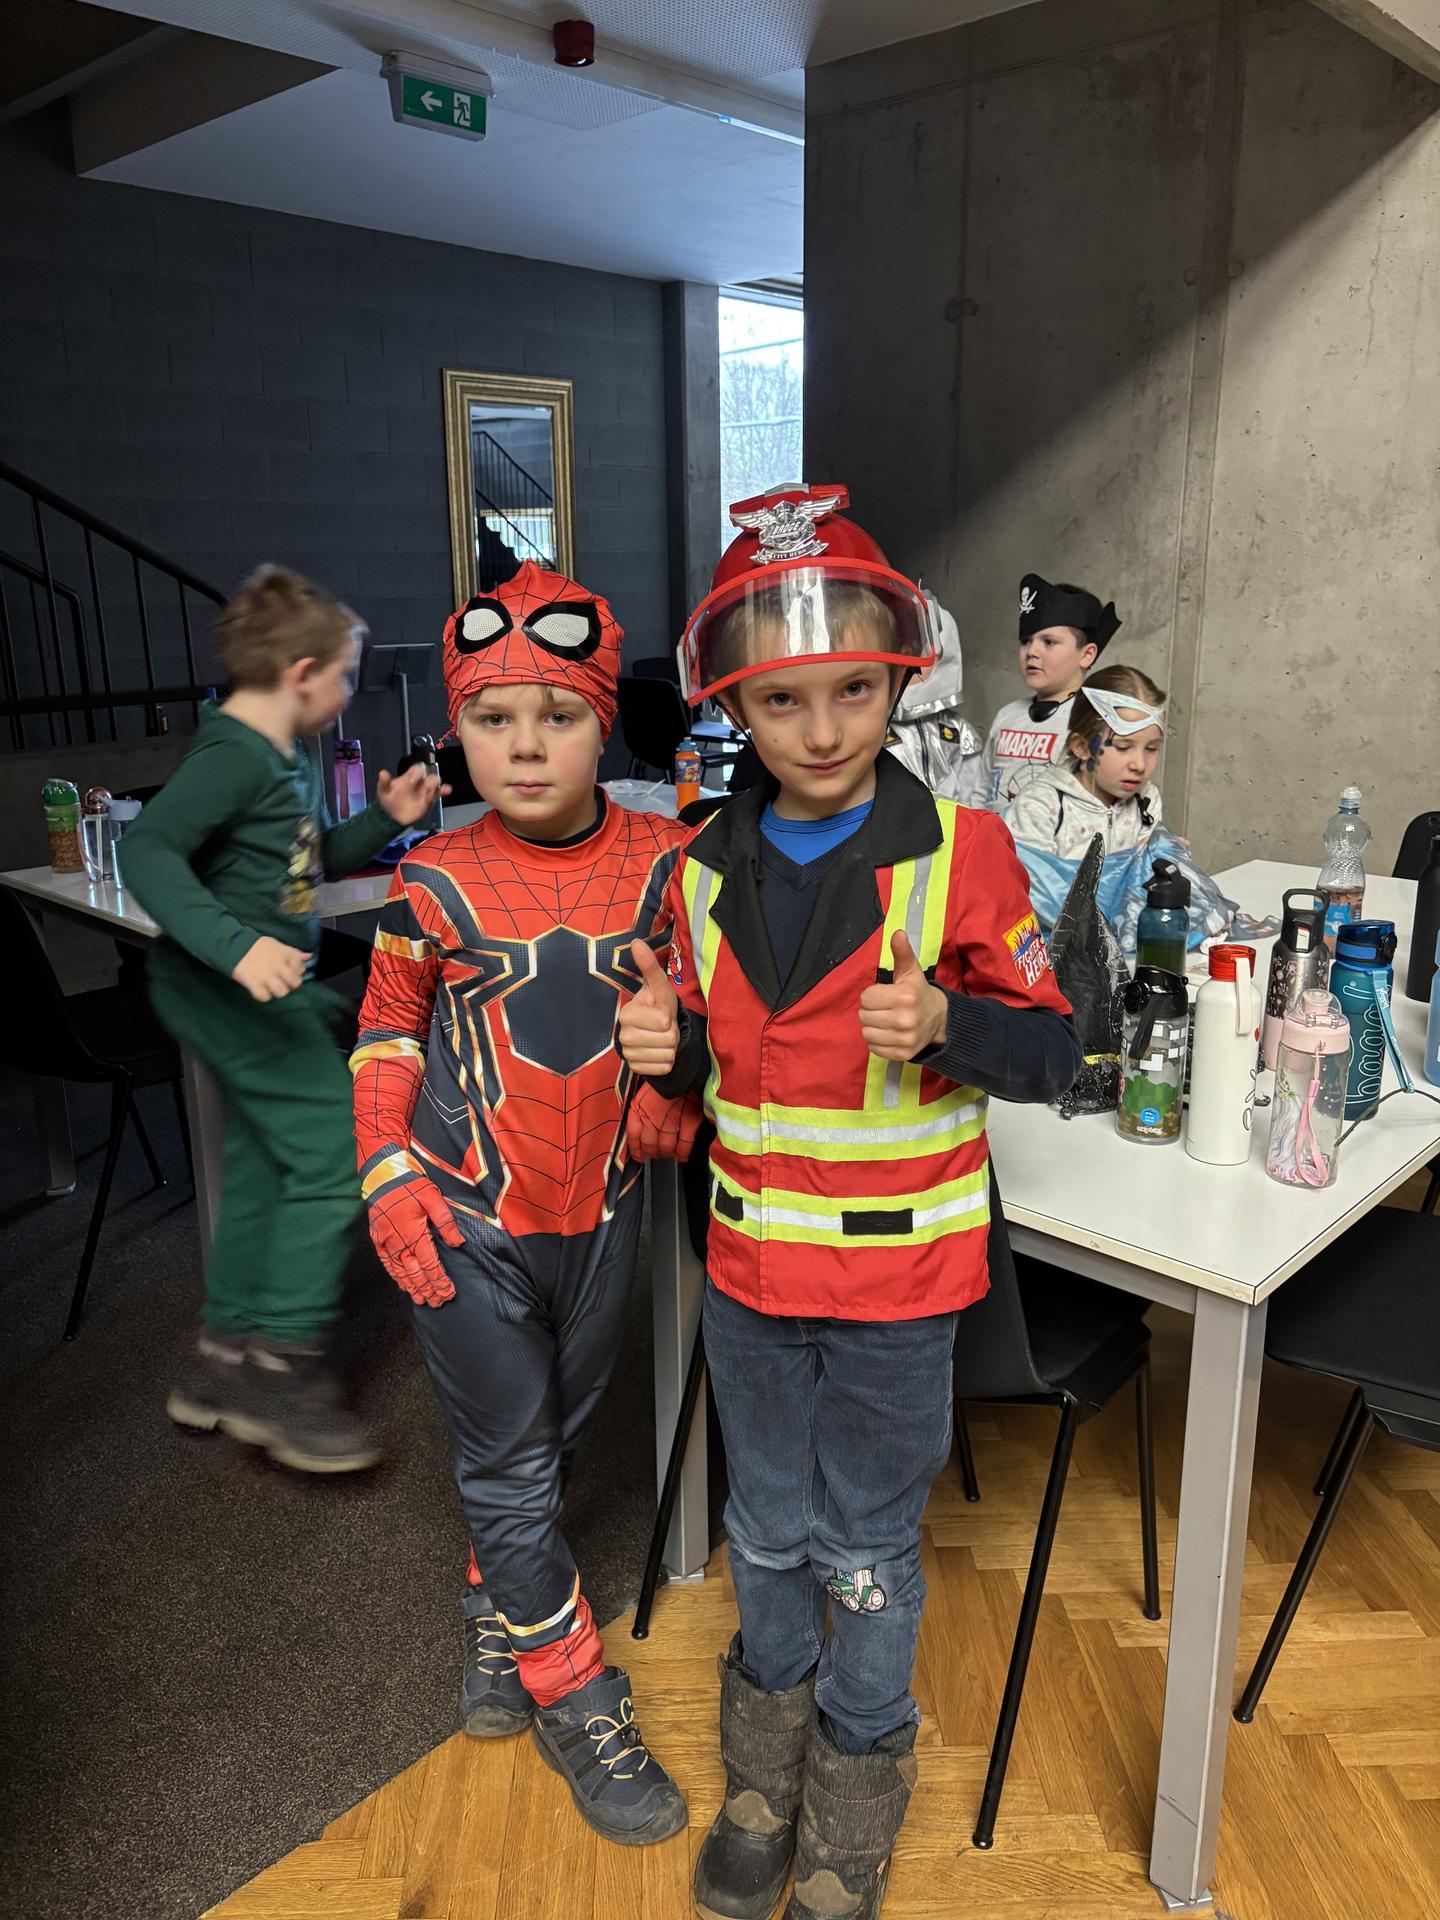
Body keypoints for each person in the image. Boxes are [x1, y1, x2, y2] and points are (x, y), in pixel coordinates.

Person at [617, 484, 1080, 1920]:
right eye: (783, 701)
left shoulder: (964, 854)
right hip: (752, 1284)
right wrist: (663, 1052)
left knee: (866, 1552)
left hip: (896, 1295)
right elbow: (714, 1067)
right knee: (765, 1533)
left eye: (854, 693)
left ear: (898, 681)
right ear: (733, 709)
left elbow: (1055, 1054)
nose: (822, 731)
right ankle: (763, 1779)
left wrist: (949, 1022)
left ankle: (856, 1789)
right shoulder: (696, 870)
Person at [350, 561, 693, 1848]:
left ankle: (496, 1608)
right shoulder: (428, 877)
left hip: (602, 1212)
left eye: (558, 715)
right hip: (464, 1216)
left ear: (606, 724)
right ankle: (575, 1691)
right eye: (493, 719)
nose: (526, 746)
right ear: (458, 731)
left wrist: (682, 1077)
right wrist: (385, 1172)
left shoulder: (673, 864)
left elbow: (708, 1007)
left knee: (550, 1435)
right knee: (506, 1460)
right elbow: (387, 1033)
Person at [122, 565, 440, 1472]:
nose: (348, 694)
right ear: (301, 674)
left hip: (258, 989)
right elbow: (147, 852)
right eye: (344, 677)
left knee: (267, 1161)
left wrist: (382, 819)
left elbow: (306, 866)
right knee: (339, 1151)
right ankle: (282, 1364)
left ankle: (222, 1357)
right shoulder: (232, 756)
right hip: (226, 988)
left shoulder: (287, 756)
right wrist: (236, 949)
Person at [976, 572, 1121, 809]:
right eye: (1026, 641)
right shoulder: (1007, 716)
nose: (1032, 652)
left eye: (1049, 642)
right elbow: (980, 792)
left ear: (1087, 654)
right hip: (994, 833)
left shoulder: (1096, 721)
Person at [1003, 664, 1166, 859]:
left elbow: (1144, 873)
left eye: (1151, 748)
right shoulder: (1040, 806)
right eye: (1123, 747)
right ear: (1081, 746)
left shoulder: (1146, 801)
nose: (1139, 765)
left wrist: (1166, 859)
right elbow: (1028, 876)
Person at [883, 589, 988, 805]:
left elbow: (974, 798)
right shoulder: (873, 727)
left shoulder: (959, 731)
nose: (907, 663)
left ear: (944, 656)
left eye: (917, 652)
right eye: (898, 652)